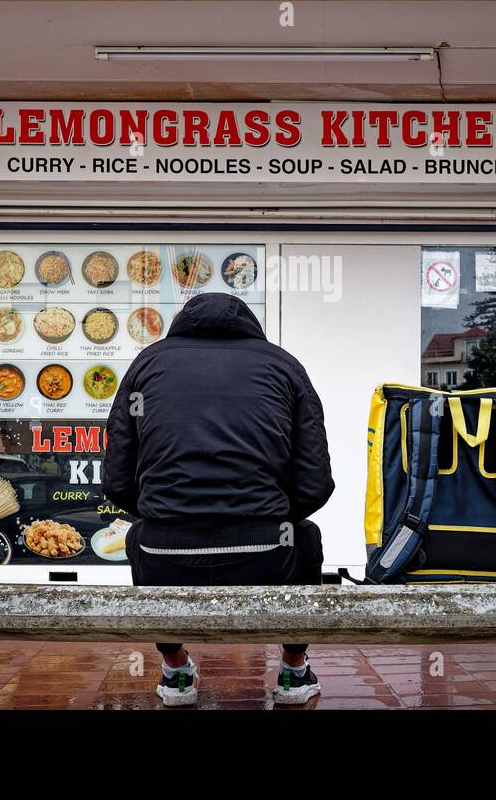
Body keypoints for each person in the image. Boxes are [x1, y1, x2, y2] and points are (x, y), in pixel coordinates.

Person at [103, 291, 335, 706]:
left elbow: (117, 479)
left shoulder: (147, 364)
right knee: (307, 536)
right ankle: (294, 671)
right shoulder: (283, 366)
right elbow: (315, 482)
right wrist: (270, 516)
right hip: (265, 555)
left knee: (139, 534)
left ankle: (175, 671)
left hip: (164, 556)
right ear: (249, 325)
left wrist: (167, 513)